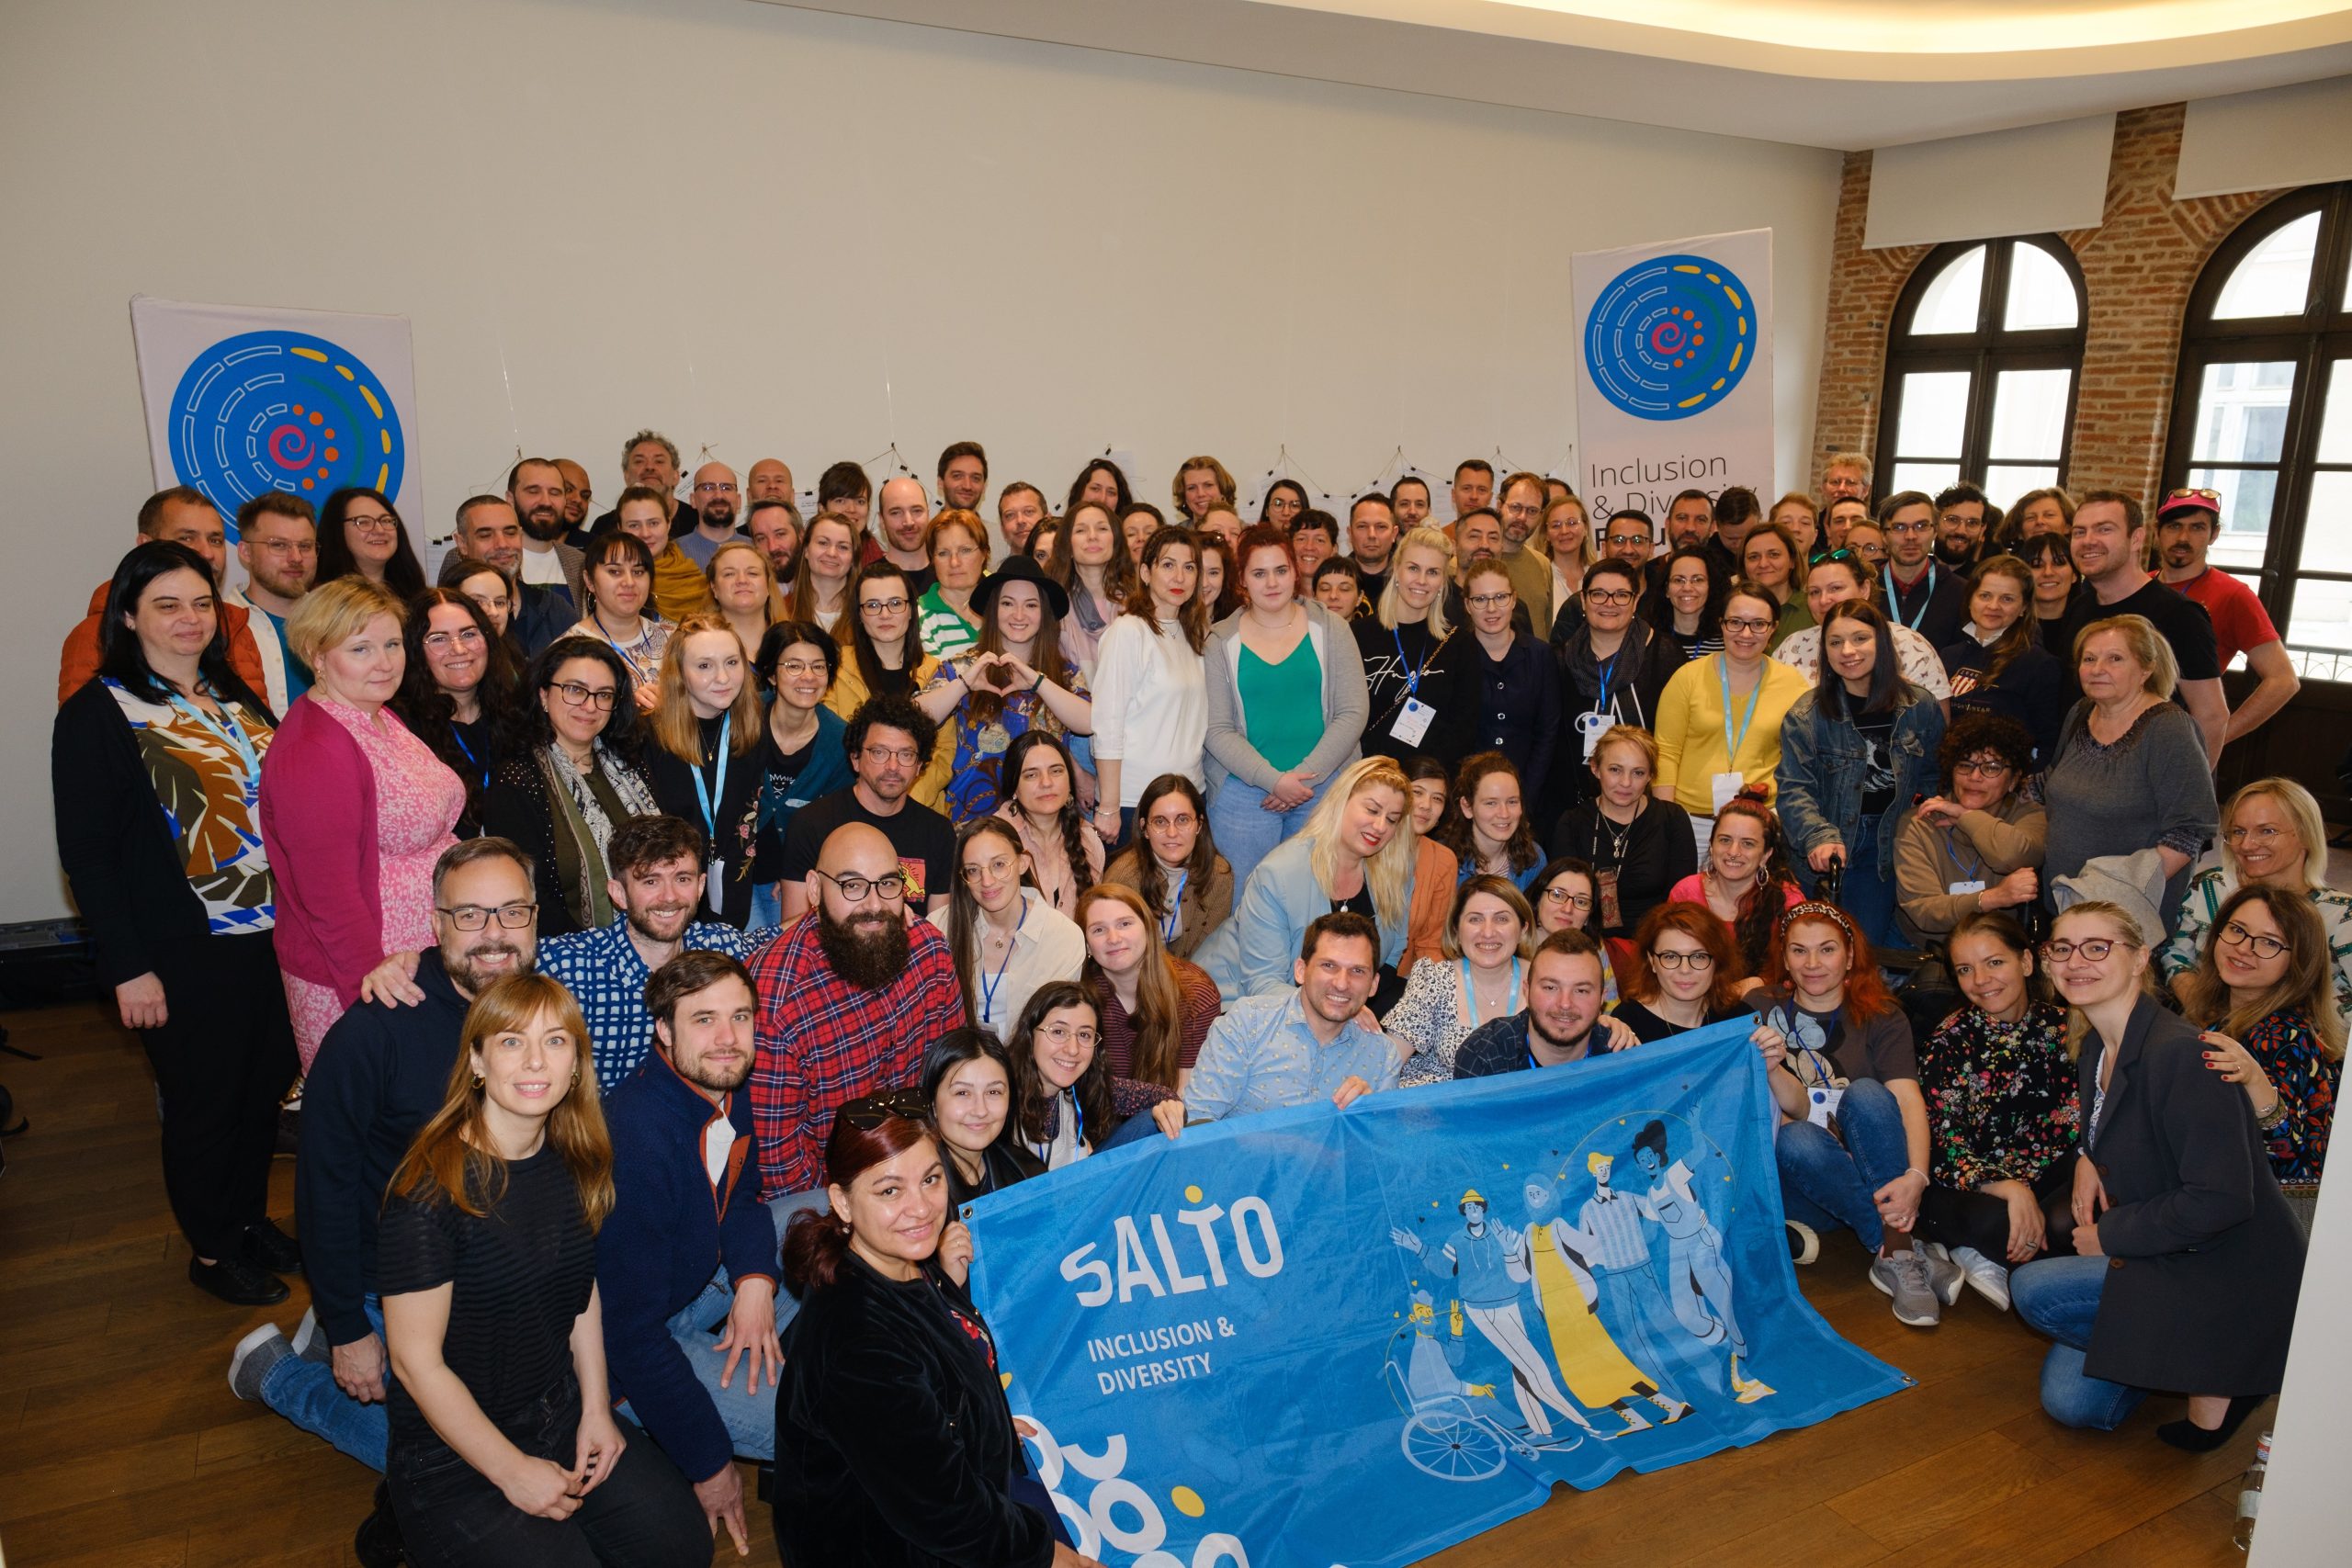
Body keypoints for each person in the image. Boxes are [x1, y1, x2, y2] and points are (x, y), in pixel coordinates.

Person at [227, 839, 539, 1562]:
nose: (494, 933)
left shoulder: (545, 1010)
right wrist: (348, 1325)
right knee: (471, 1469)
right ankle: (283, 1374)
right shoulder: (373, 1032)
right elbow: (323, 1186)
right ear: (435, 924)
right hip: (395, 1287)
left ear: (534, 917)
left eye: (512, 910)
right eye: (471, 914)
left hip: (497, 1279)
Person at [365, 973, 707, 1565]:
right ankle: (409, 1522)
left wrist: (597, 1409)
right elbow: (414, 1364)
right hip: (451, 1453)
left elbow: (581, 1291)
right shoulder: (428, 1193)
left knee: (681, 1548)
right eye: (510, 1041)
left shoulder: (573, 1159)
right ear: (476, 1060)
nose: (534, 1060)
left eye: (555, 1041)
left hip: (557, 1410)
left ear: (576, 1064)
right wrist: (513, 1470)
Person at [55, 541, 298, 1304]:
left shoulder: (231, 695)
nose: (189, 619)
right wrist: (127, 966)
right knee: (205, 1104)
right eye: (167, 604)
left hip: (272, 936)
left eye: (201, 602)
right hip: (183, 949)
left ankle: (247, 1219)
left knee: (260, 1092)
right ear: (128, 615)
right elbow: (87, 856)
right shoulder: (99, 712)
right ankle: (212, 1249)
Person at [2009, 900, 2306, 1448]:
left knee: (2033, 1288)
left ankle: (2220, 1371)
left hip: (2224, 1268)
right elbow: (2121, 1126)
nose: (2078, 961)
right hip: (2172, 1247)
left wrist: (2109, 1235)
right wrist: (2086, 1157)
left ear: (2140, 958)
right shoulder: (2097, 1042)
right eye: (2063, 949)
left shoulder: (2181, 1056)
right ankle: (2173, 1354)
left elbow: (2220, 1201)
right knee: (2069, 1403)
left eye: (2098, 947)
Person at [770, 1103, 1093, 1568]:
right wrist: (1055, 1559)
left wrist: (991, 1424)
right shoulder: (858, 1342)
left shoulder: (907, 1264)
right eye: (889, 1190)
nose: (921, 1208)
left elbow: (946, 1375)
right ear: (842, 1202)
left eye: (931, 1179)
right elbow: (947, 1513)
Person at [594, 952, 783, 1557]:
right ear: (665, 1031)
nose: (728, 1039)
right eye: (704, 1019)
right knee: (814, 1417)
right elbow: (627, 1334)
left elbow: (746, 1194)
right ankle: (651, 1421)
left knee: (821, 1217)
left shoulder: (722, 1079)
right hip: (621, 1353)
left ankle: (770, 1340)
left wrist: (755, 1281)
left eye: (740, 1017)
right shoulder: (639, 1134)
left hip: (688, 1281)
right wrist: (708, 1462)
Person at [262, 578, 466, 1070]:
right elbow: (327, 897)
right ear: (316, 652)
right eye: (361, 648)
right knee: (380, 1127)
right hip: (367, 976)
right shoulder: (314, 751)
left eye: (393, 644)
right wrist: (369, 993)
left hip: (417, 959)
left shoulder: (374, 715)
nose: (385, 662)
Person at [1758, 902, 1963, 1325]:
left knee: (1868, 1094)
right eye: (1799, 951)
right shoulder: (1756, 1007)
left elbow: (1907, 1101)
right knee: (1795, 1138)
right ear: (1784, 956)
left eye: (1827, 950)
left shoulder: (1882, 1015)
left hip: (1877, 1176)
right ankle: (1905, 1247)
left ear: (1850, 956)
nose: (1812, 964)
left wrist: (1917, 1178)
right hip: (1805, 1181)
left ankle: (1894, 1249)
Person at [749, 822, 966, 1201]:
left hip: (925, 1170)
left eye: (887, 884)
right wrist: (860, 1215)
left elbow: (954, 1077)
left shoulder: (929, 953)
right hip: (828, 1200)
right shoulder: (775, 996)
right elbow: (780, 1166)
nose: (873, 905)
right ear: (814, 889)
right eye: (852, 886)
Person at [1912, 912, 2079, 1311]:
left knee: (2072, 1218)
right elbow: (1945, 1148)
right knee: (1999, 1224)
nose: (1982, 980)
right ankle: (1988, 1250)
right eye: (1966, 969)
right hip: (1972, 1186)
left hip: (2048, 1176)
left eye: (1995, 962)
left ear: (2026, 961)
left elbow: (2088, 1122)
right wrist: (2009, 1187)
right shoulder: (1948, 1043)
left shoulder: (2068, 1027)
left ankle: (2007, 1257)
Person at [1193, 756, 1442, 1004]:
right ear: (1341, 802)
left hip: (1332, 1002)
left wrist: (1355, 1010)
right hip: (1234, 1000)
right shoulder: (1279, 873)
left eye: (1391, 819)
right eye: (1372, 810)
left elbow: (1390, 955)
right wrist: (1342, 1014)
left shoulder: (1396, 874)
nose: (1380, 826)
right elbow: (1263, 983)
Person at [1203, 524, 1369, 889]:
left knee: (1316, 904)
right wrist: (1274, 781)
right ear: (1242, 580)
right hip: (1244, 797)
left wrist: (1304, 777)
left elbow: (1353, 712)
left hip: (1323, 788)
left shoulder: (1332, 628)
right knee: (1246, 905)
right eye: (1259, 573)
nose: (1272, 582)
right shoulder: (1219, 641)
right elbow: (1217, 729)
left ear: (1296, 571)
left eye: (1280, 570)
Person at [537, 815, 756, 1089]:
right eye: (650, 881)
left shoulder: (722, 947)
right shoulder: (570, 965)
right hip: (602, 1130)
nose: (669, 896)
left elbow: (783, 937)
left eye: (682, 878)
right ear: (618, 893)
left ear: (700, 886)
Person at [1774, 601, 1946, 949]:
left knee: (1862, 953)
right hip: (1824, 851)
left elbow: (1932, 777)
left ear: (1881, 642)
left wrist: (1926, 817)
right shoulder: (1806, 715)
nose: (1847, 651)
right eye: (1835, 642)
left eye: (1859, 638)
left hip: (1886, 849)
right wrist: (1818, 835)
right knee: (1814, 953)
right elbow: (1794, 790)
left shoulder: (1920, 706)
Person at [2042, 615, 2220, 939]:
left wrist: (2112, 895)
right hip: (2066, 904)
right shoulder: (2082, 711)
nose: (2097, 669)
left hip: (2126, 918)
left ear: (2146, 669)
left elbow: (2189, 831)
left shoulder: (2169, 729)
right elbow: (2052, 781)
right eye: (2089, 659)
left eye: (2115, 658)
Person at [1152, 912, 1400, 1136]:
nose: (1342, 983)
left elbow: (1381, 1154)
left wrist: (1370, 1122)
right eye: (1329, 965)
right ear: (1301, 971)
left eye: (1357, 971)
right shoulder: (1248, 1022)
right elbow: (1199, 1123)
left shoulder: (1382, 1056)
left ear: (1374, 984)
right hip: (1241, 1178)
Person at [482, 637, 659, 939]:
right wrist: (597, 953)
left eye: (603, 695)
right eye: (575, 690)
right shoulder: (517, 780)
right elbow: (529, 895)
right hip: (570, 955)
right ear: (542, 696)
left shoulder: (632, 763)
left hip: (655, 938)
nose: (590, 706)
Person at [2177, 886, 2344, 1187]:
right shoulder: (2220, 1014)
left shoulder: (2284, 1036)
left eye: (2269, 942)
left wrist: (2257, 1083)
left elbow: (2291, 1163)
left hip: (2262, 1217)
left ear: (2299, 961)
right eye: (2237, 930)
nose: (2243, 948)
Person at [915, 554, 1094, 824]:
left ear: (1044, 613)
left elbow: (1089, 722)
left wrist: (1037, 682)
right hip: (974, 820)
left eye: (1031, 605)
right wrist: (964, 685)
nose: (1019, 615)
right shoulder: (964, 666)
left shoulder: (1065, 674)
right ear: (993, 609)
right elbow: (915, 719)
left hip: (1047, 820)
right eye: (1007, 603)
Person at [56, 486, 269, 705]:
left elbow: (264, 733)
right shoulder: (95, 635)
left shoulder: (237, 626)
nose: (207, 553)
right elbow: (85, 730)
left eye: (215, 540)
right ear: (145, 546)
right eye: (187, 538)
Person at [2055, 491, 2226, 761]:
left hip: (2147, 779)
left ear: (2136, 539)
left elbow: (2211, 715)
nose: (2088, 541)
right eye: (2079, 532)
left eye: (2104, 529)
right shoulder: (2080, 607)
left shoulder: (2180, 615)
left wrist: (2187, 792)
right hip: (2080, 775)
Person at [2159, 777, 2352, 1017]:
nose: (2247, 845)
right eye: (2238, 831)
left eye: (2267, 831)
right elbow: (2175, 956)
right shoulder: (2211, 887)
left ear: (2305, 834)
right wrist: (2207, 1015)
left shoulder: (2343, 916)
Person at [1652, 580, 1812, 856]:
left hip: (1760, 823)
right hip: (1692, 822)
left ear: (1773, 628)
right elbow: (1665, 751)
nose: (1746, 633)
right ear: (1721, 624)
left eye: (1758, 624)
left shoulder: (1792, 684)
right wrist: (1668, 819)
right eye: (1735, 622)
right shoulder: (1687, 677)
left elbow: (1801, 757)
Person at [777, 694, 956, 920]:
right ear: (855, 758)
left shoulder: (938, 832)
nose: (893, 766)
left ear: (919, 765)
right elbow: (793, 930)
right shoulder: (811, 824)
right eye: (879, 753)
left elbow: (937, 932)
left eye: (906, 755)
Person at [642, 615, 767, 928]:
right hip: (669, 893)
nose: (723, 678)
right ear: (679, 674)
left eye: (731, 662)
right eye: (704, 666)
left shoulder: (754, 729)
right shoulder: (648, 736)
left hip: (735, 885)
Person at [1090, 526, 1209, 847]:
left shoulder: (1193, 634)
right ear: (1145, 572)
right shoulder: (1128, 632)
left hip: (1189, 795)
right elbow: (1107, 723)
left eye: (1189, 567)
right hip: (1134, 799)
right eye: (1168, 565)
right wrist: (1109, 806)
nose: (1179, 577)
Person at [2154, 486, 2302, 744]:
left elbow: (2283, 680)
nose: (2183, 538)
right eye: (2174, 526)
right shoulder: (2138, 586)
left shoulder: (2233, 595)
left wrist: (2217, 736)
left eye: (2197, 527)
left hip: (2181, 739)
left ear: (2214, 534)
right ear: (2157, 532)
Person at [1893, 712, 2046, 949]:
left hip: (2000, 948)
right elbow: (1924, 911)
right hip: (1930, 949)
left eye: (1991, 768)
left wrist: (1965, 817)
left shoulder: (2029, 816)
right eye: (1965, 765)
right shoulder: (1919, 822)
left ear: (2014, 780)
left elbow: (2009, 856)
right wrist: (1993, 898)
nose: (1975, 777)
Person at [926, 817, 1085, 1042]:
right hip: (958, 1064)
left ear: (1023, 863)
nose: (987, 881)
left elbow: (1059, 1030)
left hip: (1029, 1067)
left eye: (999, 865)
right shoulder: (939, 928)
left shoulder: (1064, 937)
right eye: (973, 870)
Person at [1549, 559, 1687, 815]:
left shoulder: (1664, 656)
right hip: (1573, 807)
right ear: (1583, 599)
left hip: (1643, 805)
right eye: (1599, 594)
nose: (1609, 603)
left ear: (1635, 602)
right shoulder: (1558, 659)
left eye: (1621, 595)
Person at [1546, 725, 1696, 940]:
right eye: (1615, 770)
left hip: (1654, 944)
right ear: (1595, 768)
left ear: (1650, 776)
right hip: (1587, 942)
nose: (1626, 783)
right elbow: (1561, 902)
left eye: (1638, 772)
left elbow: (1681, 903)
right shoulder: (1572, 823)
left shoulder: (1672, 819)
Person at [1389, 875, 1541, 1085]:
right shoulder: (1433, 979)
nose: (1488, 932)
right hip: (1439, 1107)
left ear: (1523, 928)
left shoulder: (1546, 981)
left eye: (1501, 919)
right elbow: (1390, 1058)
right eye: (1475, 919)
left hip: (1520, 1109)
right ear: (1456, 930)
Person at [749, 621, 851, 928]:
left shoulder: (840, 741)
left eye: (819, 666)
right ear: (771, 674)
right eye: (794, 665)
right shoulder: (743, 719)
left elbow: (837, 820)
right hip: (735, 875)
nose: (808, 677)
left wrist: (801, 873)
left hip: (792, 881)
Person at [826, 561, 954, 807]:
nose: (885, 614)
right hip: (853, 806)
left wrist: (906, 799)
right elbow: (835, 747)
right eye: (873, 605)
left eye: (896, 603)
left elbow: (945, 752)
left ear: (910, 610)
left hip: (920, 808)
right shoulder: (837, 668)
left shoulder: (938, 671)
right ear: (860, 615)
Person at [392, 589, 518, 837]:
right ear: (416, 650)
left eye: (469, 634)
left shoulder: (516, 714)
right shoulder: (402, 729)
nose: (459, 649)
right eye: (439, 639)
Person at [1078, 883, 1221, 1097]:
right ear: (1087, 945)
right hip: (1099, 1117)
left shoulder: (1195, 993)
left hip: (1169, 1116)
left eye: (1124, 924)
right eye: (1099, 930)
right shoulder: (1079, 998)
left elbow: (1188, 1094)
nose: (1114, 939)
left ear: (1148, 928)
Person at [1355, 525, 1471, 768]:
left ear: (1442, 581)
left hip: (1429, 784)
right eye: (1413, 568)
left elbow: (1463, 728)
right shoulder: (1357, 636)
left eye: (1432, 572)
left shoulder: (1458, 644)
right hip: (1367, 777)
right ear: (1396, 570)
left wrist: (1423, 779)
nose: (1421, 580)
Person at [1771, 547, 1954, 697]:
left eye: (1836, 588)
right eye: (1814, 592)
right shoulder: (1792, 647)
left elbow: (1936, 726)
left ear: (1864, 589)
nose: (1824, 600)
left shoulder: (1911, 646)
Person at [1452, 930, 1637, 1077]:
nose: (1565, 1004)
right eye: (1550, 988)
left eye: (1581, 990)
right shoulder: (1485, 1054)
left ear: (1601, 999)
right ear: (1527, 990)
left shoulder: (1622, 1057)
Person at [1452, 558, 1560, 808]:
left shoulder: (1541, 655)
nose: (1491, 608)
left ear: (1513, 599)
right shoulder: (1455, 655)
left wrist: (1522, 798)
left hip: (1531, 796)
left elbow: (1547, 733)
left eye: (1500, 597)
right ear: (1467, 605)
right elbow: (1452, 735)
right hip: (1469, 798)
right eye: (1480, 599)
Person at [1938, 554, 2066, 763]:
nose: (1994, 606)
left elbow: (2047, 743)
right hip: (1949, 776)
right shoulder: (1947, 656)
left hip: (2006, 784)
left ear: (2024, 607)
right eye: (1985, 596)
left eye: (2007, 598)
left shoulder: (2039, 664)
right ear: (1970, 599)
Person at [1668, 791, 1804, 979]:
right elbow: (1669, 961)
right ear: (1711, 845)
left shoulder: (1786, 900)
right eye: (1725, 840)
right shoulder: (1685, 892)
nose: (1733, 852)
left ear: (1766, 855)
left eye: (1747, 844)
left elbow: (1799, 970)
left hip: (1764, 1001)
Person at [1101, 773, 1232, 959]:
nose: (1172, 832)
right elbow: (1113, 954)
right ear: (1145, 828)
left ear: (1199, 825)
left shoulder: (1219, 874)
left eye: (1183, 820)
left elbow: (1208, 952)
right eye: (1160, 822)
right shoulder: (1122, 878)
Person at [924, 1030, 1043, 1208]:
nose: (980, 1110)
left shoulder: (1027, 1174)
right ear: (933, 1103)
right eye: (962, 1093)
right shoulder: (917, 1194)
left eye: (993, 1092)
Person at [1610, 904, 1751, 1043]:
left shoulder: (1740, 1021)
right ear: (1652, 962)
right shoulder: (1626, 1025)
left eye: (1698, 957)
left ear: (1717, 961)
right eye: (1670, 957)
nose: (1685, 970)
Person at [229, 491, 317, 710]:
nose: (296, 557)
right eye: (279, 545)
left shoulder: (337, 621)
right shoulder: (219, 628)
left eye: (305, 546)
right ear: (245, 552)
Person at [569, 531, 672, 704]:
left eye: (638, 572)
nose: (629, 582)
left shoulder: (674, 638)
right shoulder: (570, 650)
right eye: (615, 571)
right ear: (589, 581)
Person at [1435, 750, 1545, 892]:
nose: (1504, 814)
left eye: (1512, 802)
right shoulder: (1441, 859)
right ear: (1467, 807)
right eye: (1491, 803)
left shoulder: (1534, 860)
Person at [1874, 491, 1969, 649]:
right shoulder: (1863, 585)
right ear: (1884, 535)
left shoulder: (1961, 593)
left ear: (1935, 531)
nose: (1911, 536)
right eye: (1899, 527)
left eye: (1921, 526)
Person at [1051, 499, 1132, 675]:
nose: (1092, 536)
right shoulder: (1054, 606)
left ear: (1115, 541)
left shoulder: (1137, 603)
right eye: (1081, 530)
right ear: (1068, 546)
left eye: (1102, 528)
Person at [1524, 857, 1621, 1003]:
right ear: (1538, 898)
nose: (1568, 909)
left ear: (1589, 915)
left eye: (1581, 901)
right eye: (1557, 895)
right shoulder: (1512, 941)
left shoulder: (1594, 948)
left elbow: (1611, 1009)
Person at [316, 487, 429, 602]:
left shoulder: (417, 596)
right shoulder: (325, 602)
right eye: (364, 522)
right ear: (337, 531)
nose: (380, 530)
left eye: (386, 520)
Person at [506, 457, 589, 606]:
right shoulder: (485, 559)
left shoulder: (581, 563)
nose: (546, 501)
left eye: (555, 493)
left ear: (564, 501)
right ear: (510, 499)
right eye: (533, 491)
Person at [586, 430, 693, 540]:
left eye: (659, 461)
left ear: (676, 476)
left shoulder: (697, 522)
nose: (650, 467)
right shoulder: (604, 527)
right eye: (639, 461)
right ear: (626, 476)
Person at [915, 510, 989, 658]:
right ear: (932, 560)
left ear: (983, 554)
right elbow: (933, 680)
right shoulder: (917, 616)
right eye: (943, 553)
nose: (954, 562)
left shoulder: (1004, 609)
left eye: (965, 550)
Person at [1492, 471, 1556, 626]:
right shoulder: (1472, 561)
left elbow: (1545, 632)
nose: (1522, 517)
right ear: (1499, 506)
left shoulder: (1543, 565)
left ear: (1541, 516)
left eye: (1532, 511)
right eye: (1515, 507)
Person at [706, 539, 780, 673]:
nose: (742, 580)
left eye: (752, 573)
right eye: (729, 574)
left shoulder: (792, 643)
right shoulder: (697, 647)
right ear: (714, 588)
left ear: (768, 585)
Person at [1640, 545, 1724, 660]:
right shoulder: (1647, 640)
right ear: (1667, 590)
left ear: (1710, 587)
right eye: (1679, 580)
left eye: (1698, 580)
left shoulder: (1726, 642)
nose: (1687, 588)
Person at [1741, 521, 1811, 649]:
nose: (1763, 564)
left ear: (1792, 561)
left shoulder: (1812, 608)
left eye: (1774, 555)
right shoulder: (1734, 611)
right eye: (1753, 557)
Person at [785, 511, 857, 634]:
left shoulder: (866, 614)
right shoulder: (781, 609)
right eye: (823, 543)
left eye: (843, 547)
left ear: (853, 559)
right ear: (806, 550)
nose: (832, 553)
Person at [2015, 531, 2083, 650]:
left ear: (2074, 575)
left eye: (2058, 563)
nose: (2048, 572)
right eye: (2037, 565)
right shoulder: (2005, 627)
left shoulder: (2090, 626)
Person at [865, 476, 934, 592]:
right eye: (896, 513)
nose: (908, 522)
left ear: (928, 515)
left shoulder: (950, 576)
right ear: (882, 520)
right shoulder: (868, 582)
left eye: (917, 510)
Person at [1540, 493, 1593, 625]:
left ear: (1585, 528)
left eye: (1571, 523)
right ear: (1546, 534)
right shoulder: (1539, 578)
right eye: (1556, 525)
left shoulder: (1599, 577)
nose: (1564, 531)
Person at [1347, 491, 1400, 608]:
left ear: (1394, 534)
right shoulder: (1334, 579)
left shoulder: (1409, 579)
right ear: (1350, 533)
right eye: (1362, 526)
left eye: (1381, 527)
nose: (1371, 535)